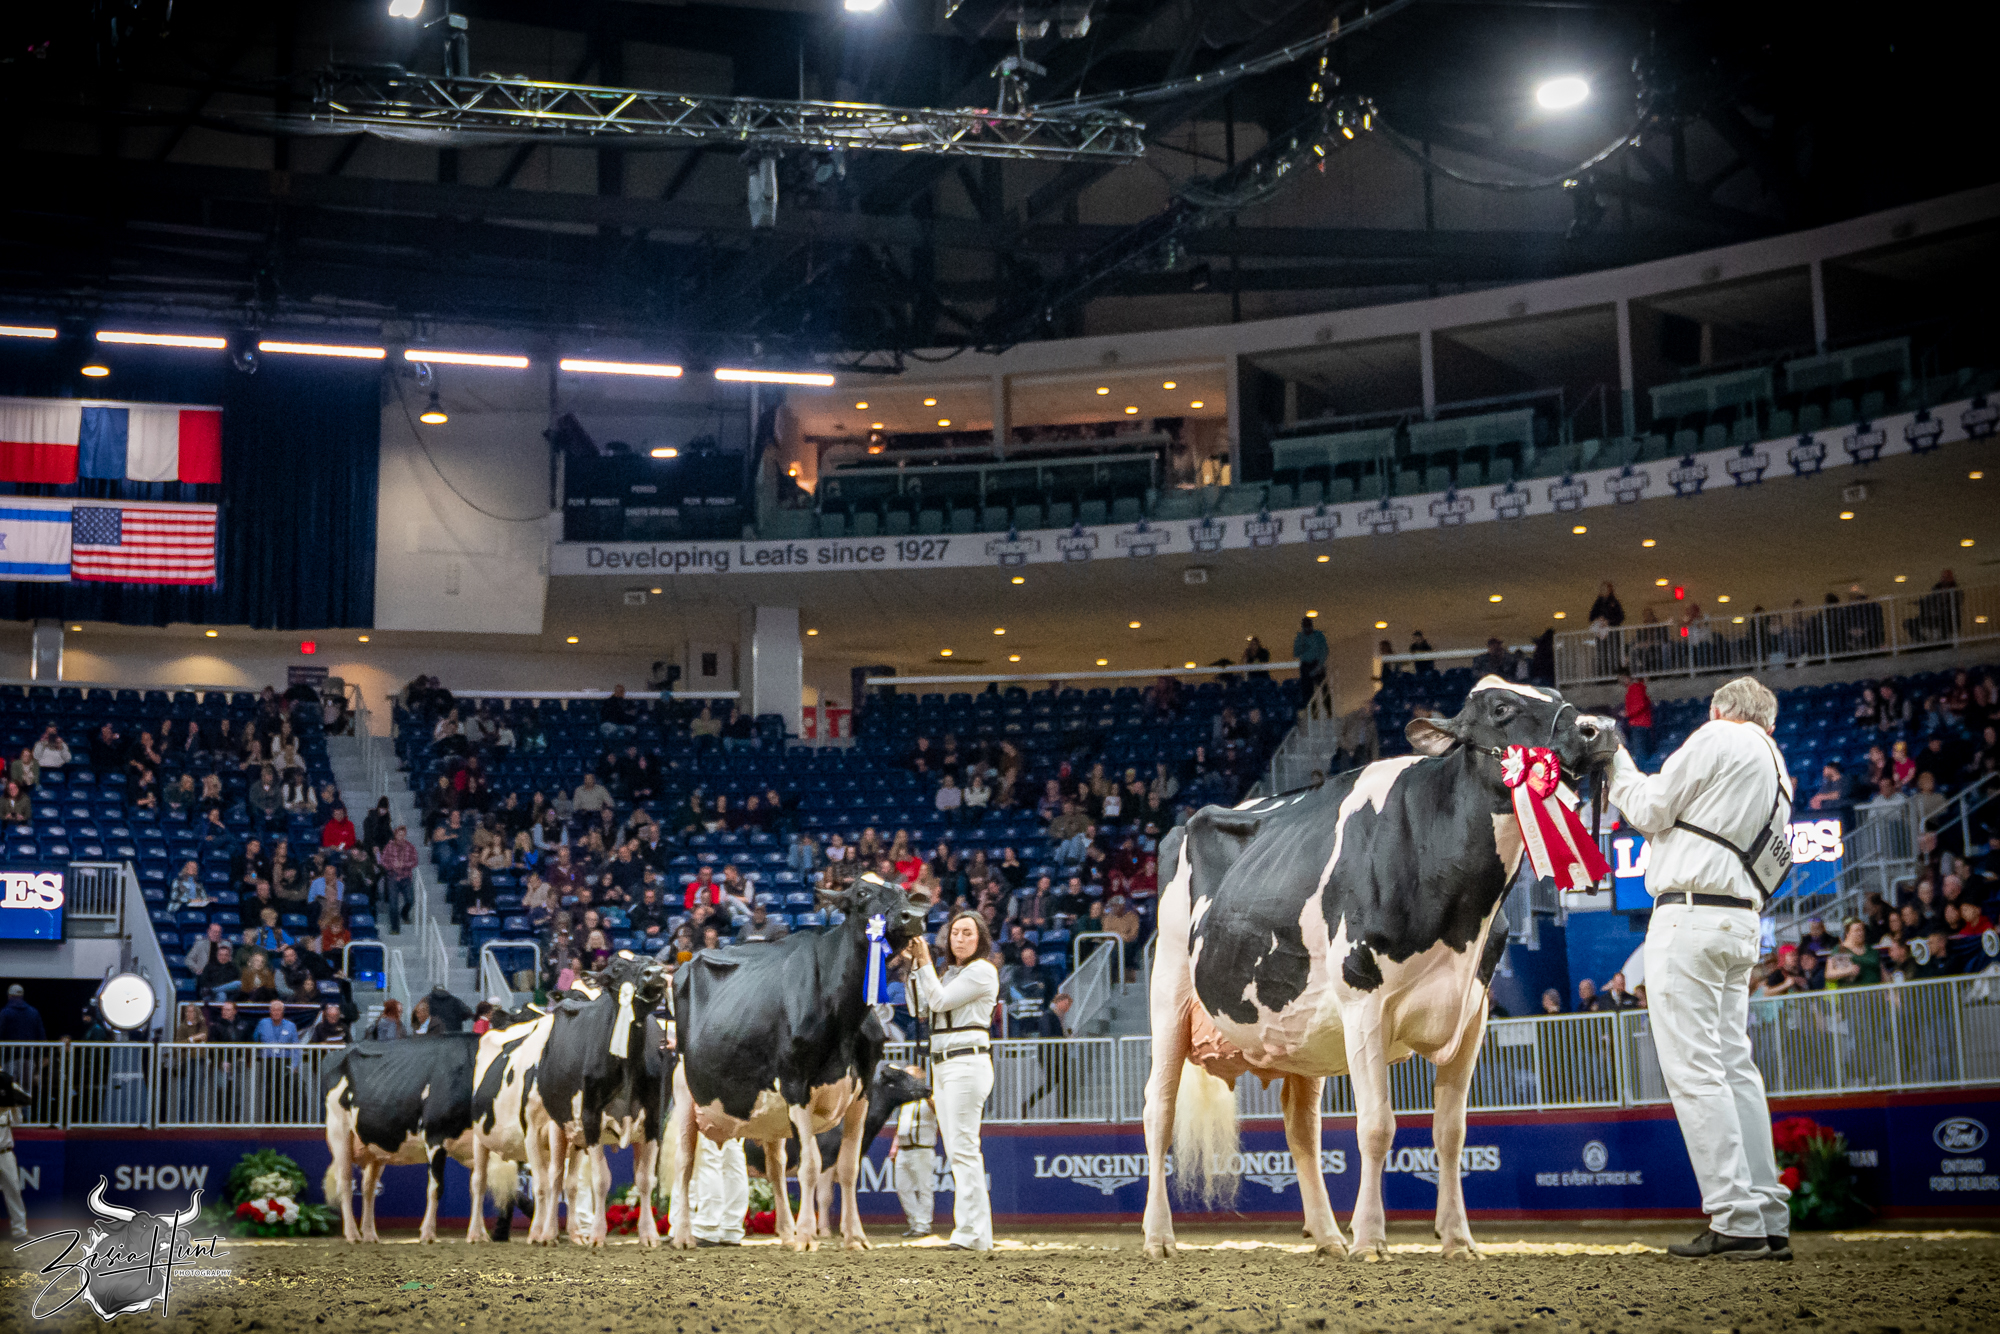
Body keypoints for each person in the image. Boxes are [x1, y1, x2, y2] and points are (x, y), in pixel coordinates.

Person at [1607, 675, 1792, 1262]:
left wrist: (1615, 759)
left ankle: (1735, 1218)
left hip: (1690, 917)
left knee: (1696, 1070)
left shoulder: (1718, 736)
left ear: (1718, 710)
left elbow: (1649, 808)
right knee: (1734, 1066)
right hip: (1740, 922)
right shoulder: (1778, 769)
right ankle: (1767, 1216)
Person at [907, 910, 999, 1253]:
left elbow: (940, 1001)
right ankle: (976, 1233)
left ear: (980, 939)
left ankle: (970, 1232)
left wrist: (925, 963)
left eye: (967, 933)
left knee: (963, 1149)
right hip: (943, 1065)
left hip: (966, 1062)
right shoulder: (949, 973)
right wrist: (916, 967)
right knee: (959, 1150)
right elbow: (920, 1008)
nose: (959, 938)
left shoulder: (982, 970)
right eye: (955, 932)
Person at [888, 1065, 938, 1238]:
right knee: (903, 1187)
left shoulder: (930, 1097)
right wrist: (895, 1146)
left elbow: (937, 1110)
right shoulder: (906, 1100)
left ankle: (923, 1224)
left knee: (924, 1187)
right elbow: (902, 1124)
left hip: (922, 1148)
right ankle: (915, 1221)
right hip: (904, 1148)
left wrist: (927, 1096)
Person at [376, 824, 419, 934]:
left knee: (410, 900)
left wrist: (403, 864)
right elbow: (383, 861)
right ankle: (395, 928)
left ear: (405, 835)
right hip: (392, 877)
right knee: (393, 904)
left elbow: (415, 861)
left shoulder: (410, 847)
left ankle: (404, 913)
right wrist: (392, 866)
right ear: (395, 835)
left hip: (406, 877)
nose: (400, 837)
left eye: (402, 835)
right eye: (399, 834)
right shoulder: (389, 847)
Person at [1619, 669, 1654, 767]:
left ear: (1627, 678)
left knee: (1640, 756)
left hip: (1639, 724)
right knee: (1641, 755)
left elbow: (1641, 705)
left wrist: (1627, 713)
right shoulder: (1636, 688)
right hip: (1641, 724)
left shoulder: (1634, 688)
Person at [1293, 616, 1329, 703]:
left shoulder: (1319, 636)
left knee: (1323, 688)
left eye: (1309, 626)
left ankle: (1328, 707)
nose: (1308, 629)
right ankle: (1310, 708)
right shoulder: (1300, 637)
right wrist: (1302, 645)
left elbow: (1324, 650)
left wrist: (1320, 665)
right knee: (1307, 691)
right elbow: (1296, 653)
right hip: (1305, 666)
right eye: (1305, 627)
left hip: (1317, 664)